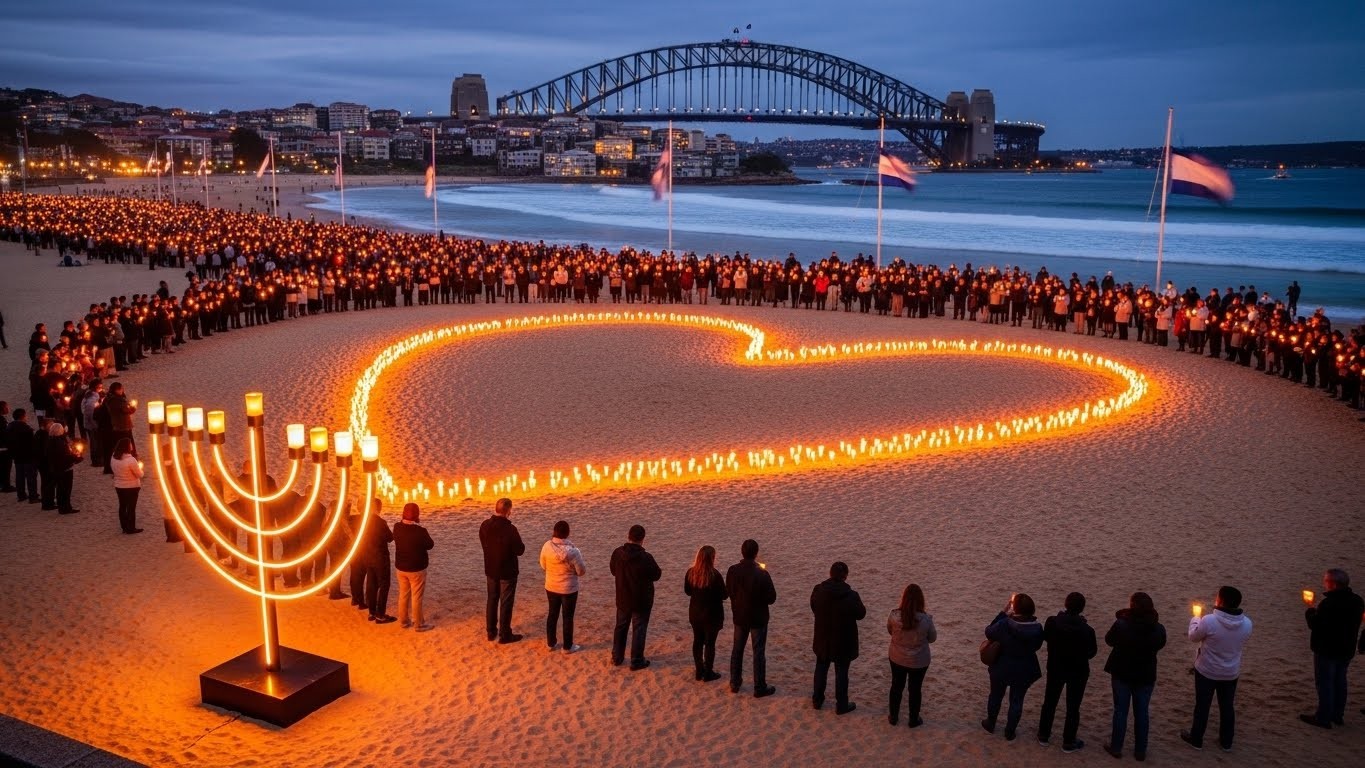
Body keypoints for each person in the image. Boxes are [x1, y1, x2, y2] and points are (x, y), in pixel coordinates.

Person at [1182, 585, 1253, 751]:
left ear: (1221, 601)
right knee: (1227, 706)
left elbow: (1193, 636)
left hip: (1207, 670)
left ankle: (1196, 738)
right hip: (1230, 672)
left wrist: (1195, 618)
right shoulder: (1247, 623)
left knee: (1202, 705)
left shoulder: (1209, 620)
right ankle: (1226, 742)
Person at [1103, 591, 1167, 760]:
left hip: (1122, 672)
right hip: (1145, 674)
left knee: (1121, 711)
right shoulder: (1158, 629)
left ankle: (1116, 747)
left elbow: (1109, 640)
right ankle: (1140, 751)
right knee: (1142, 712)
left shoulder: (1122, 624)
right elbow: (1160, 644)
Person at [1302, 568, 1365, 728]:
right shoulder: (1357, 601)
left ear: (1333, 584)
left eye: (1326, 581)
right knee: (1340, 680)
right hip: (1346, 648)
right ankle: (1337, 715)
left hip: (1327, 649)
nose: (1325, 584)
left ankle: (1323, 718)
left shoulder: (1329, 603)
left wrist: (1310, 610)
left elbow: (1316, 625)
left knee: (1325, 682)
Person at [1037, 592, 1097, 752]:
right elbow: (1092, 652)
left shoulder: (1052, 622)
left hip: (1056, 667)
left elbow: (1046, 637)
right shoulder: (1087, 630)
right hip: (1078, 671)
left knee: (1050, 701)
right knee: (1073, 706)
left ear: (1066, 604)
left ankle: (1043, 735)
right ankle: (1068, 741)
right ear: (1082, 609)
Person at [981, 593, 1044, 741]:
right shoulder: (1037, 628)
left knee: (996, 695)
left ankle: (991, 723)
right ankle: (1010, 731)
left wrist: (1003, 614)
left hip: (1002, 667)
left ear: (1015, 609)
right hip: (1024, 668)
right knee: (1017, 700)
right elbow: (1037, 646)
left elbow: (989, 631)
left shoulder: (1005, 624)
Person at [810, 561, 866, 715]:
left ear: (830, 574)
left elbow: (813, 606)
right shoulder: (851, 596)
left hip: (823, 638)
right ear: (845, 577)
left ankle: (817, 700)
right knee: (841, 672)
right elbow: (861, 614)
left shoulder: (818, 590)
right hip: (843, 641)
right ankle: (841, 704)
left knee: (821, 667)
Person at [726, 539, 777, 697]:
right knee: (758, 651)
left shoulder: (733, 570)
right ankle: (759, 686)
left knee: (737, 649)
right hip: (758, 617)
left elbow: (729, 591)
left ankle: (735, 682)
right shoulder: (762, 573)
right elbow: (771, 598)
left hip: (740, 616)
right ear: (756, 553)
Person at [609, 524, 661, 670]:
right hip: (641, 600)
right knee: (639, 628)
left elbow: (613, 570)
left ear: (629, 536)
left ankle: (617, 657)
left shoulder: (618, 553)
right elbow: (656, 575)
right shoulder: (645, 557)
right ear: (642, 539)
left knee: (621, 627)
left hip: (623, 597)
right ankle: (637, 660)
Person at [887, 583, 936, 727]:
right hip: (918, 660)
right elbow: (932, 638)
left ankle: (893, 716)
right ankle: (913, 719)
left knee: (896, 685)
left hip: (897, 657)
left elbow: (890, 631)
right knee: (915, 689)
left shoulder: (894, 615)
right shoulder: (926, 619)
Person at [479, 497, 525, 643]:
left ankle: (491, 631)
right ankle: (505, 634)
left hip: (491, 568)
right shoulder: (510, 529)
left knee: (492, 599)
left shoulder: (485, 525)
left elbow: (483, 543)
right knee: (506, 601)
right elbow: (520, 550)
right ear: (508, 511)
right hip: (507, 570)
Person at [539, 520, 586, 653]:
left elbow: (543, 565)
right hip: (568, 588)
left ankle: (550, 643)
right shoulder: (574, 552)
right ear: (567, 533)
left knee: (552, 614)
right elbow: (581, 571)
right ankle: (567, 646)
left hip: (551, 586)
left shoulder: (547, 546)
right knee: (568, 617)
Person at [684, 545, 727, 682]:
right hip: (712, 614)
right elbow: (724, 595)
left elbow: (688, 591)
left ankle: (699, 670)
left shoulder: (691, 573)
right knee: (710, 643)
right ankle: (708, 672)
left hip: (696, 613)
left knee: (697, 641)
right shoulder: (715, 575)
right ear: (712, 559)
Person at [393, 503, 434, 631]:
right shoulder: (420, 531)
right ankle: (418, 624)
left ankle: (404, 621)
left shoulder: (397, 527)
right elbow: (430, 545)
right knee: (416, 597)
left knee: (403, 595)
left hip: (401, 567)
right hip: (416, 568)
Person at [362, 497, 396, 624]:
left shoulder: (364, 521)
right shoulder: (380, 522)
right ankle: (380, 614)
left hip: (368, 556)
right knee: (384, 585)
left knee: (371, 584)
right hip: (380, 557)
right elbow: (389, 537)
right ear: (378, 507)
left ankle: (371, 612)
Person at [109, 437, 144, 533]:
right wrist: (141, 469)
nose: (132, 445)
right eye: (130, 444)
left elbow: (113, 469)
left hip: (119, 486)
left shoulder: (113, 457)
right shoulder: (131, 460)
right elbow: (139, 474)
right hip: (131, 487)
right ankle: (131, 527)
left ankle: (124, 526)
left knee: (122, 506)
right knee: (131, 507)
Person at [7, 408, 37, 503]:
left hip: (17, 456)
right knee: (31, 477)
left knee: (19, 476)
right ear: (23, 416)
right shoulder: (26, 429)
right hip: (28, 456)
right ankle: (33, 496)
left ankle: (21, 495)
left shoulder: (9, 427)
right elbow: (32, 444)